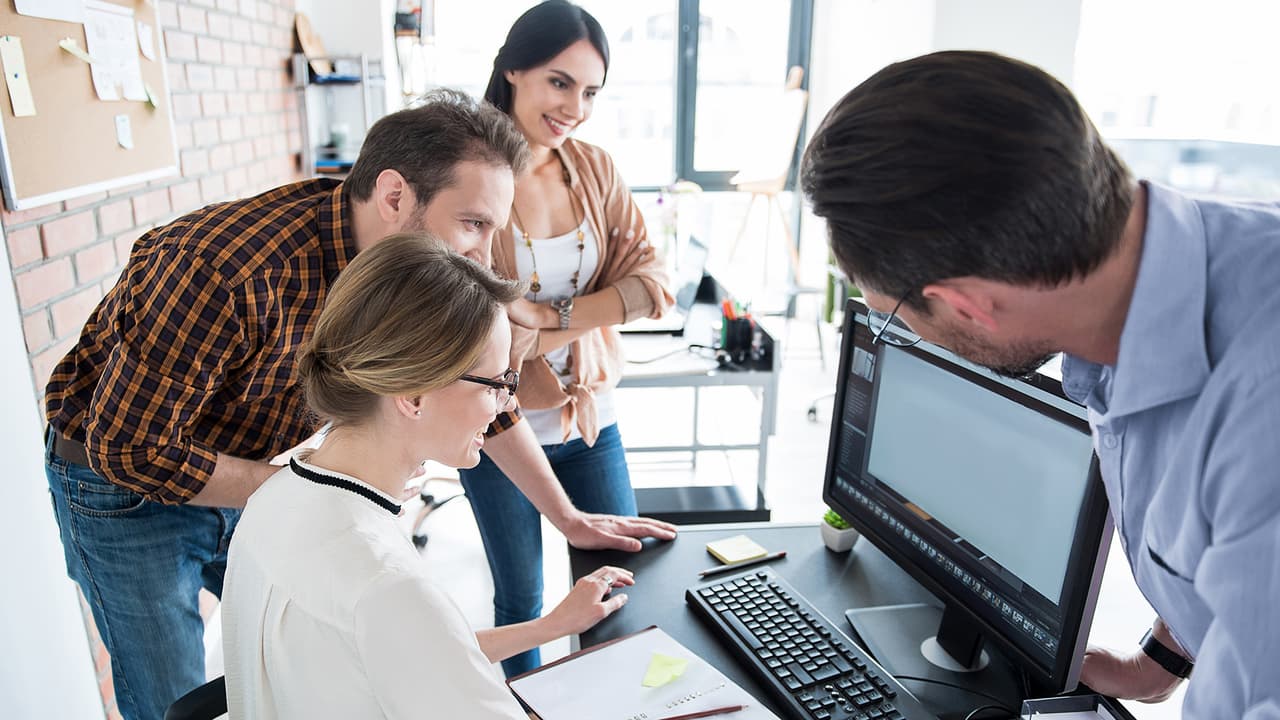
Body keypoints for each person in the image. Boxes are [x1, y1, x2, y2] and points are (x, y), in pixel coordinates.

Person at [42, 88, 671, 720]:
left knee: (310, 654)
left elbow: (480, 390)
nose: (483, 253)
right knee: (169, 697)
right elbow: (130, 448)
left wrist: (565, 519)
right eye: (473, 224)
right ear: (396, 196)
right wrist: (314, 495)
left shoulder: (417, 284)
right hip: (122, 480)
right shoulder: (227, 270)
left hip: (264, 477)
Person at [801, 50, 1280, 718]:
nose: (900, 339)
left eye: (896, 321)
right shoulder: (1146, 278)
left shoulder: (1259, 427)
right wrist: (1164, 659)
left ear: (970, 305)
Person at [222, 234, 632, 719]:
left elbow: (418, 652)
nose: (507, 402)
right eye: (497, 383)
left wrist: (548, 627)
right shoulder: (386, 584)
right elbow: (406, 625)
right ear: (413, 396)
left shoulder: (279, 493)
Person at [465, 0, 675, 677]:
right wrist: (591, 308)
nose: (575, 107)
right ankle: (521, 704)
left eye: (589, 91)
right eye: (560, 83)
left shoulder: (595, 169)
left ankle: (627, 699)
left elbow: (653, 285)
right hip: (499, 424)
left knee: (623, 576)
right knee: (523, 595)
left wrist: (547, 318)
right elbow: (471, 320)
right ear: (513, 70)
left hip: (589, 415)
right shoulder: (468, 174)